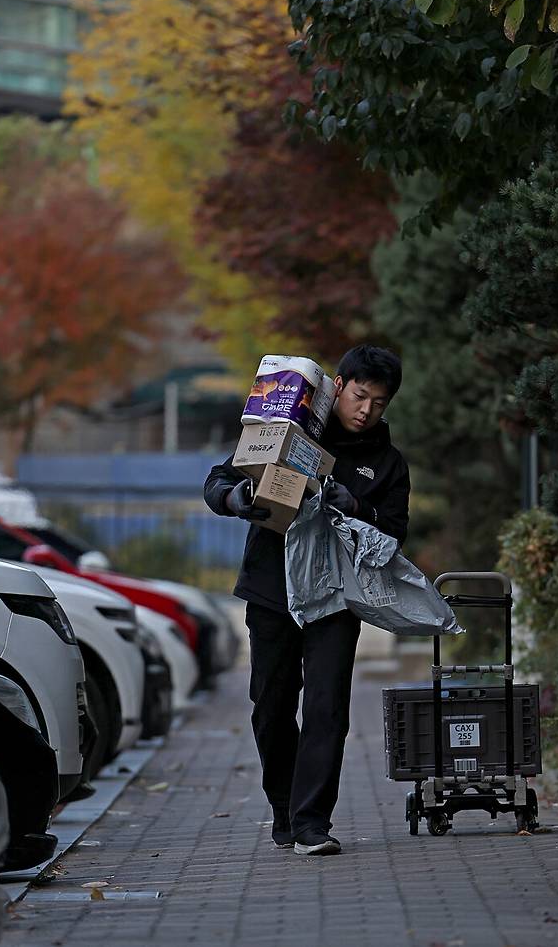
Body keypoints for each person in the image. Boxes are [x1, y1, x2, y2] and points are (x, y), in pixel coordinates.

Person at [203, 345, 410, 855]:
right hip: (271, 590)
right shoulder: (288, 431)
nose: (366, 410)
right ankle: (284, 808)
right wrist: (237, 499)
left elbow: (396, 530)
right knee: (270, 707)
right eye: (360, 396)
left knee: (326, 709)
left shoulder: (387, 463)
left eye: (379, 403)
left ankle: (312, 821)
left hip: (336, 599)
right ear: (337, 386)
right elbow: (218, 480)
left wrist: (357, 505)